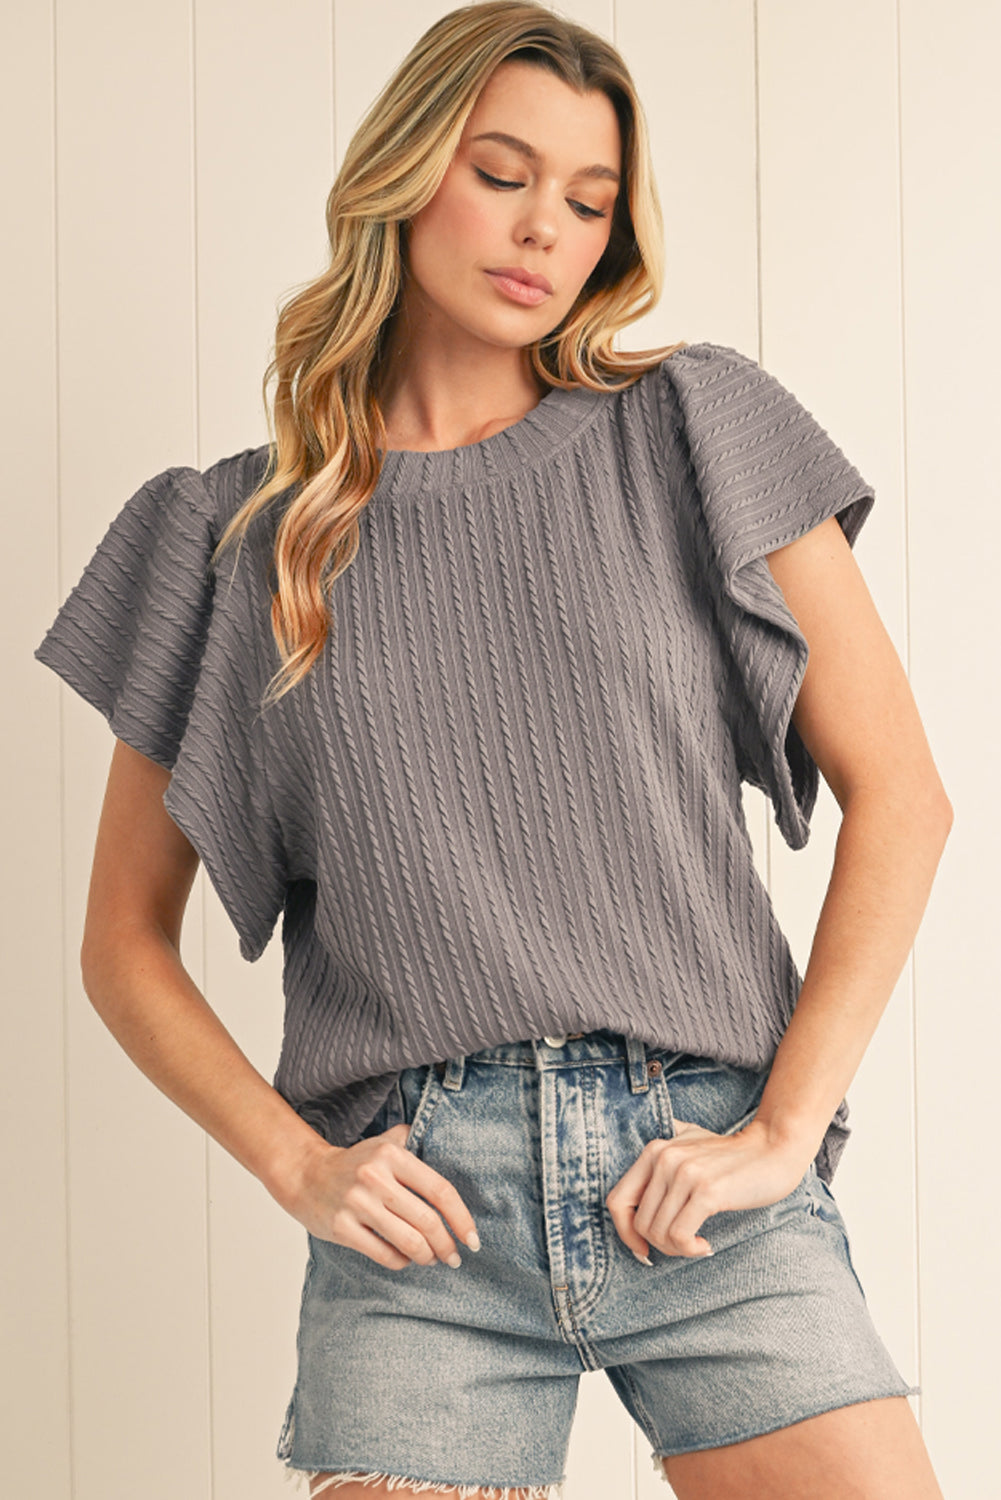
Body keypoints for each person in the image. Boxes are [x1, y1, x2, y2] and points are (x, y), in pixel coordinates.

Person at [34, 3, 951, 1497]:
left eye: (588, 202)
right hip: (423, 1219)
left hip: (700, 1175)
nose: (544, 232)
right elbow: (123, 943)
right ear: (402, 176)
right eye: (504, 175)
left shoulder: (691, 429)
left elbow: (902, 796)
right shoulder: (229, 540)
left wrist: (785, 1132)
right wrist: (295, 1163)